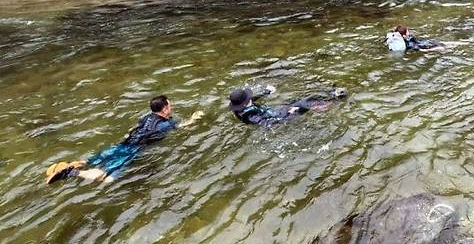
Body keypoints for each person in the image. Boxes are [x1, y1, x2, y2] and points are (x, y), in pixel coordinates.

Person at [45, 95, 204, 184]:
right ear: (164, 109)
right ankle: (71, 172)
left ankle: (69, 165)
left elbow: (131, 131)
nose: (172, 108)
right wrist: (194, 118)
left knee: (91, 160)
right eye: (170, 105)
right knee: (105, 179)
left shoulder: (146, 118)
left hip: (124, 143)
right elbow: (184, 127)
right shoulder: (167, 124)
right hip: (133, 150)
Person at [228, 85, 348, 127]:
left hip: (277, 111)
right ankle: (335, 101)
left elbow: (252, 99)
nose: (251, 98)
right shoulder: (251, 117)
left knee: (302, 100)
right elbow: (269, 123)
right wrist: (289, 113)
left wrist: (266, 92)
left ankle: (330, 95)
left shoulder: (241, 108)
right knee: (305, 106)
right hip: (282, 117)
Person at [385, 25, 474, 52]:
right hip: (428, 46)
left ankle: (470, 42)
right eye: (407, 31)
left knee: (449, 44)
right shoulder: (407, 43)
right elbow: (420, 49)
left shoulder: (406, 41)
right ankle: (471, 42)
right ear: (404, 34)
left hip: (427, 44)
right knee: (449, 45)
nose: (409, 32)